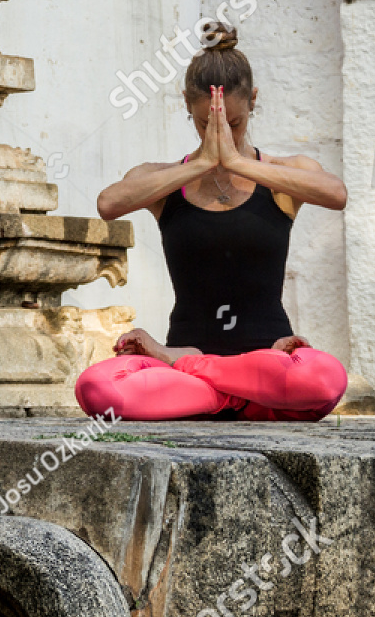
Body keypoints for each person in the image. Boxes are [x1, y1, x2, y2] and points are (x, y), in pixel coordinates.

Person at [78, 23, 350, 422]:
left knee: (324, 379)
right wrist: (203, 164)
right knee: (97, 389)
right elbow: (108, 204)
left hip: (268, 362)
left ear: (253, 100)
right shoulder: (166, 179)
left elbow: (337, 194)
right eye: (205, 124)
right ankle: (234, 396)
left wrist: (239, 163)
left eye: (233, 123)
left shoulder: (284, 174)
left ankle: (217, 385)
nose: (221, 132)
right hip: (194, 372)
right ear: (188, 107)